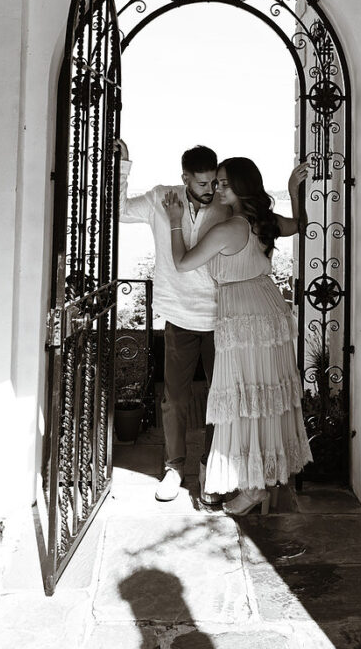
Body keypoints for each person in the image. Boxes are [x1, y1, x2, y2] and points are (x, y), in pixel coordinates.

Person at [162, 157, 312, 516]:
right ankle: (258, 482)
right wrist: (293, 191)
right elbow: (300, 225)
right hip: (268, 308)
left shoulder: (229, 228)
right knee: (262, 396)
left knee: (243, 398)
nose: (218, 188)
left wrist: (174, 221)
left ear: (243, 186)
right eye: (217, 182)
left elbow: (182, 263)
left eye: (225, 183)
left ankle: (253, 488)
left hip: (243, 316)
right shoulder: (265, 221)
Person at [118, 142, 230, 504]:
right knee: (174, 399)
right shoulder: (160, 198)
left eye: (213, 182)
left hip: (221, 317)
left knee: (220, 398)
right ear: (185, 179)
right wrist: (123, 165)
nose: (210, 189)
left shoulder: (225, 204)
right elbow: (120, 211)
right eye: (202, 183)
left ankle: (213, 466)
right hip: (179, 316)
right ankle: (174, 467)